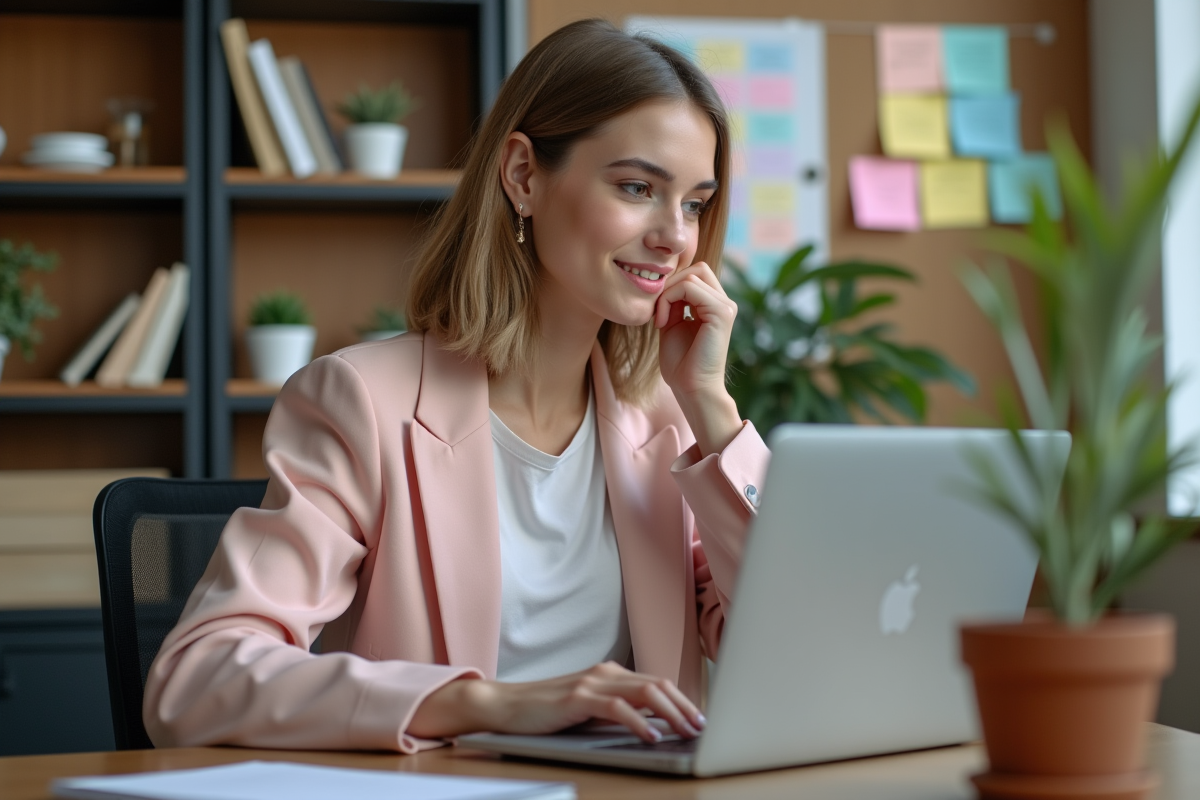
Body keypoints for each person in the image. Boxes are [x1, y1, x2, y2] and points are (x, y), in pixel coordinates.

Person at [144, 18, 770, 753]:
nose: (675, 235)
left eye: (695, 203)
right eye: (638, 187)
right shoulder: (361, 404)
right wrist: (488, 705)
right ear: (523, 176)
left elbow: (789, 643)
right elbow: (196, 678)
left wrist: (715, 412)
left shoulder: (667, 422)